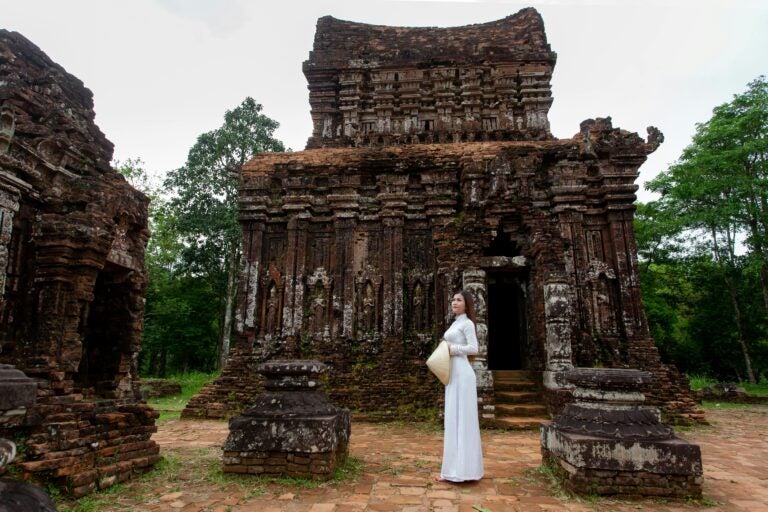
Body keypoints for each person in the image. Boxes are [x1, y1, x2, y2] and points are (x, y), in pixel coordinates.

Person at [436, 290, 484, 483]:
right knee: (453, 419)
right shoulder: (455, 323)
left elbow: (474, 348)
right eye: (453, 300)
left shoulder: (467, 323)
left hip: (463, 375)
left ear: (466, 304)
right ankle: (451, 470)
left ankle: (466, 471)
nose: (454, 302)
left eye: (459, 300)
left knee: (464, 420)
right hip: (452, 374)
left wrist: (452, 349)